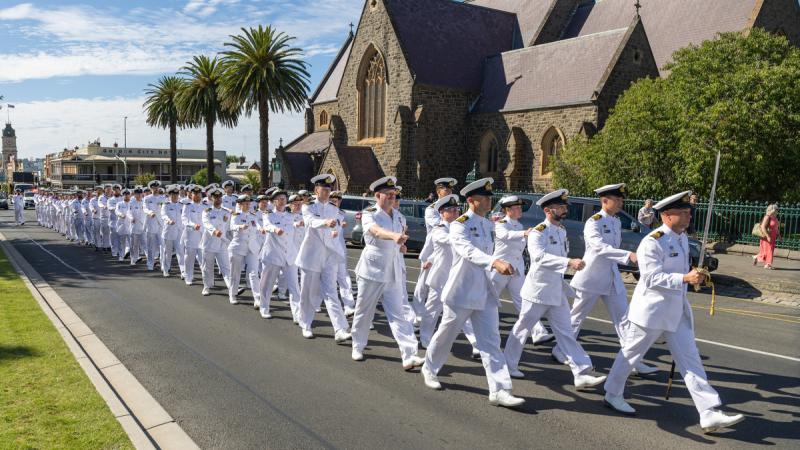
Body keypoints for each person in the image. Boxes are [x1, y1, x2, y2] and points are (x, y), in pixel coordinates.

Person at [603, 191, 744, 433]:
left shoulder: (681, 238)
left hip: (676, 311)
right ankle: (612, 392)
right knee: (631, 354)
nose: (689, 216)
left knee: (691, 360)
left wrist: (694, 276)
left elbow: (679, 271)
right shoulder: (652, 242)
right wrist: (684, 277)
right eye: (683, 212)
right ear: (667, 216)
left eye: (689, 212)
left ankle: (708, 412)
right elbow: (651, 278)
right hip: (651, 312)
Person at [421, 177, 525, 408]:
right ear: (471, 200)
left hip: (485, 292)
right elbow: (467, 251)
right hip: (462, 291)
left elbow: (501, 246)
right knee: (446, 334)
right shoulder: (460, 224)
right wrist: (493, 262)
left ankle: (500, 389)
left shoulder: (489, 225)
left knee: (491, 340)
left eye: (490, 197)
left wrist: (507, 264)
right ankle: (429, 368)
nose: (490, 201)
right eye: (485, 197)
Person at [503, 189, 607, 390]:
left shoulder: (560, 230)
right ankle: (508, 364)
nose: (565, 209)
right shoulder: (538, 232)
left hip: (556, 290)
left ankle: (581, 373)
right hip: (538, 290)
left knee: (566, 332)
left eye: (564, 206)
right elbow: (539, 258)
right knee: (523, 328)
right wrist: (569, 262)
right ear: (548, 210)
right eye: (561, 207)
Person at [553, 184, 658, 375]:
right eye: (617, 200)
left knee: (624, 319)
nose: (620, 203)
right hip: (591, 278)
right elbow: (599, 248)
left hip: (611, 278)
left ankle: (632, 360)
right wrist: (628, 256)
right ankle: (560, 350)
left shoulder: (616, 222)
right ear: (604, 201)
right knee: (576, 318)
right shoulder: (593, 222)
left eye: (621, 200)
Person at [350, 176, 423, 369]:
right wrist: (394, 236)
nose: (392, 198)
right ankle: (358, 345)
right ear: (377, 195)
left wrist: (402, 247)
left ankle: (409, 354)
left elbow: (399, 241)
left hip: (393, 270)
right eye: (388, 194)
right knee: (364, 311)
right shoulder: (369, 213)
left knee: (398, 313)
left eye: (394, 195)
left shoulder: (400, 216)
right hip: (372, 270)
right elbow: (375, 231)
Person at [294, 174, 351, 340]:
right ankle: (306, 324)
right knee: (308, 293)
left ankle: (340, 329)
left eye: (329, 189)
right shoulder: (308, 207)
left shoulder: (336, 210)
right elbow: (311, 222)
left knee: (331, 292)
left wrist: (335, 230)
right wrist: (325, 223)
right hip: (311, 256)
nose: (326, 192)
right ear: (316, 190)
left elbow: (337, 229)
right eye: (323, 189)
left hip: (329, 257)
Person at [258, 190, 301, 319]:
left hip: (289, 256)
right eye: (279, 199)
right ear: (274, 202)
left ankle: (297, 314)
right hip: (273, 254)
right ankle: (264, 307)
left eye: (284, 198)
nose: (283, 200)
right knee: (267, 284)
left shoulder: (290, 215)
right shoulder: (268, 214)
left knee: (294, 287)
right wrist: (275, 229)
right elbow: (267, 225)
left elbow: (293, 223)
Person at [228, 195, 262, 306]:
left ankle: (257, 298)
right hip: (238, 247)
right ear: (240, 204)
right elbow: (232, 226)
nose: (248, 205)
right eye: (245, 203)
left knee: (253, 273)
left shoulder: (253, 215)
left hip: (251, 248)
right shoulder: (236, 215)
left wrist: (261, 229)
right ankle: (232, 294)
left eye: (249, 203)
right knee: (235, 273)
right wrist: (240, 227)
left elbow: (257, 225)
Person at [200, 187, 232, 296]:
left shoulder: (227, 212)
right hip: (209, 243)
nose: (218, 199)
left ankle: (231, 287)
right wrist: (214, 231)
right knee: (207, 267)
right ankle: (206, 286)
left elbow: (228, 228)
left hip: (222, 243)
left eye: (219, 197)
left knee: (226, 266)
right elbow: (206, 224)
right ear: (211, 199)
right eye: (215, 197)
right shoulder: (206, 212)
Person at [182, 185, 206, 286]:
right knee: (189, 258)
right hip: (191, 236)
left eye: (198, 194)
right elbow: (184, 219)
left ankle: (206, 280)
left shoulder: (206, 206)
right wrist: (192, 225)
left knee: (204, 259)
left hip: (202, 237)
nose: (197, 196)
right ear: (191, 195)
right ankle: (188, 277)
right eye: (195, 194)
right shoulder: (187, 206)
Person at [160, 185, 185, 278]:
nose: (174, 196)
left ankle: (183, 271)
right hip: (169, 231)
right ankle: (166, 269)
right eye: (172, 194)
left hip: (179, 232)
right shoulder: (166, 205)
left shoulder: (182, 205)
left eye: (176, 194)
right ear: (169, 195)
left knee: (180, 252)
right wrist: (168, 220)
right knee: (167, 252)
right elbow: (163, 215)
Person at [754, 203, 781, 269]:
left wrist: (779, 236)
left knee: (767, 251)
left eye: (777, 209)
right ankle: (768, 264)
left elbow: (776, 228)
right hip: (766, 237)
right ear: (771, 210)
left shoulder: (775, 219)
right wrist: (768, 236)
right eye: (776, 209)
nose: (777, 211)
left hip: (773, 237)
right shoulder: (767, 217)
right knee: (769, 250)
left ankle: (756, 257)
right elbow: (763, 227)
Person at [128, 187, 146, 265]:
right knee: (134, 244)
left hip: (143, 226)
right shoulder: (131, 203)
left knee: (145, 243)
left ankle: (150, 260)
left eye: (140, 193)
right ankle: (133, 259)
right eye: (137, 193)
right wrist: (131, 218)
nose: (138, 195)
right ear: (134, 194)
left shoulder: (145, 202)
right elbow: (128, 212)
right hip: (134, 225)